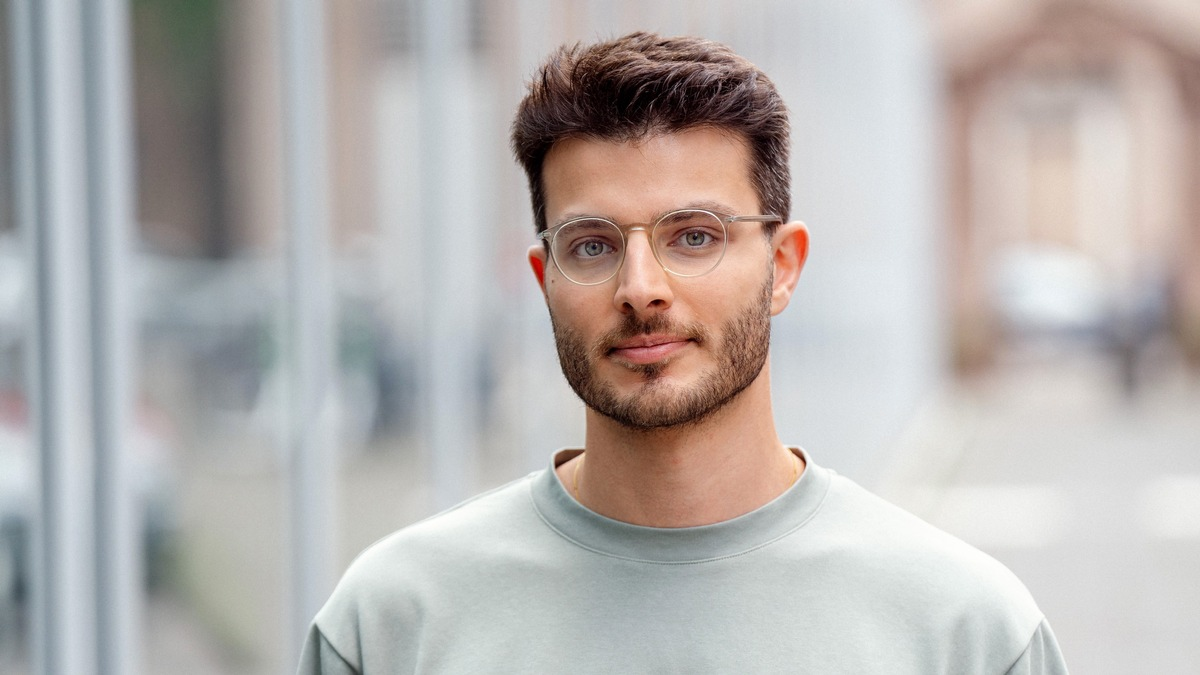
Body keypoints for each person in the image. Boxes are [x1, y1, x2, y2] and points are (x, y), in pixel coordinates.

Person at [298, 32, 1068, 674]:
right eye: (593, 244)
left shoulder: (966, 635)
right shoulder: (392, 626)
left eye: (694, 235)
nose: (641, 288)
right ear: (545, 278)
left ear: (784, 268)